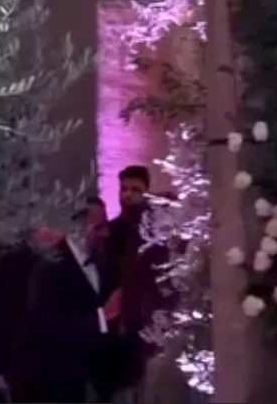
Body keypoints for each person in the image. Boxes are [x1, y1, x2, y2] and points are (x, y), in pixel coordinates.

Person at [16, 197, 120, 403]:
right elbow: (48, 327)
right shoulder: (48, 267)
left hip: (91, 382)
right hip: (53, 384)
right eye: (98, 227)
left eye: (106, 226)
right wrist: (102, 317)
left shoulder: (104, 264)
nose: (106, 234)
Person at [97, 166, 169, 403]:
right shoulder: (112, 231)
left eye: (135, 190)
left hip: (144, 319)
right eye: (124, 189)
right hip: (116, 324)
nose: (128, 195)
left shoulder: (155, 233)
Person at [0, 225, 62, 400]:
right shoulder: (13, 263)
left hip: (58, 361)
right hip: (23, 361)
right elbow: (1, 315)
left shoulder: (65, 261)